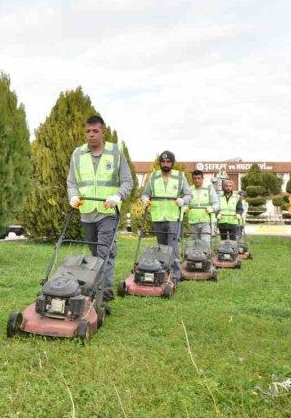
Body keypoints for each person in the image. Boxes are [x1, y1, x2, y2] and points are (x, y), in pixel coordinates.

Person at [67, 115, 133, 301]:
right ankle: (97, 286)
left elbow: (127, 181)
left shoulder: (115, 152)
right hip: (87, 213)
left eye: (95, 131)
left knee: (105, 252)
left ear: (103, 131)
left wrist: (117, 196)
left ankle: (104, 295)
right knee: (95, 254)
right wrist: (72, 196)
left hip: (108, 212)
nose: (91, 135)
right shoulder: (78, 154)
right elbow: (71, 182)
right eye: (88, 131)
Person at [141, 151, 191, 283]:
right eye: (163, 162)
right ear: (160, 163)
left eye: (168, 162)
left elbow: (188, 194)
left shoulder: (180, 176)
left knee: (173, 247)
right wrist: (145, 200)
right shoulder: (153, 177)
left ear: (172, 163)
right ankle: (162, 272)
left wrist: (183, 200)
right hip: (158, 217)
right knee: (161, 248)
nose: (165, 164)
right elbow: (145, 194)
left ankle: (175, 276)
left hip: (174, 217)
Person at [186, 169, 219, 244]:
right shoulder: (189, 190)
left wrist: (212, 208)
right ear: (192, 179)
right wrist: (185, 208)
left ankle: (207, 255)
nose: (196, 180)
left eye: (198, 178)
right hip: (193, 221)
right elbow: (185, 203)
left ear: (202, 179)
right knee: (195, 243)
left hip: (206, 221)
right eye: (194, 178)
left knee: (205, 243)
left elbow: (216, 204)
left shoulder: (209, 188)